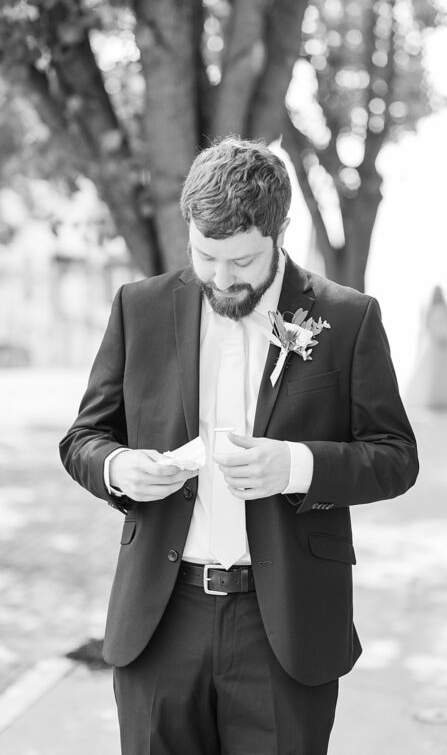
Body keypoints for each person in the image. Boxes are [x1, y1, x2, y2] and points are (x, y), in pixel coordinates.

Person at [59, 137, 418, 754]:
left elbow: (395, 456)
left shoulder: (347, 318)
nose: (221, 279)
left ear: (279, 232)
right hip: (160, 619)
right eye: (205, 256)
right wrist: (118, 467)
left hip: (286, 625)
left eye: (243, 262)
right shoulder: (139, 308)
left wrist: (296, 466)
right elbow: (82, 439)